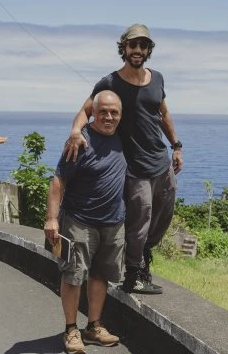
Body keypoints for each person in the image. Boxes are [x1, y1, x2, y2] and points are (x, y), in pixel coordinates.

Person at [65, 23, 183, 295]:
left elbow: (164, 114)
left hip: (161, 162)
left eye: (143, 46)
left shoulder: (157, 79)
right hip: (135, 167)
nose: (138, 50)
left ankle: (143, 257)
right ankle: (134, 273)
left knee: (163, 215)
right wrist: (75, 131)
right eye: (133, 45)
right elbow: (86, 110)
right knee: (139, 220)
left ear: (148, 50)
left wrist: (176, 146)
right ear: (124, 48)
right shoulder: (111, 82)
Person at [45, 90, 126, 354]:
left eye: (114, 112)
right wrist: (51, 219)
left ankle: (93, 326)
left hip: (113, 222)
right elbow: (58, 181)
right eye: (103, 111)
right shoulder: (80, 141)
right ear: (93, 112)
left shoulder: (124, 139)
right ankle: (71, 330)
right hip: (79, 221)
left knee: (101, 274)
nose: (109, 117)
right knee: (73, 275)